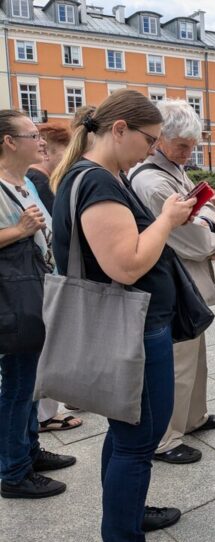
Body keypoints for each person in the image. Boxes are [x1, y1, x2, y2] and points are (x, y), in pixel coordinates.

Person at [50, 90, 195, 542]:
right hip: (131, 328)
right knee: (138, 441)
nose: (151, 148)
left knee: (129, 433)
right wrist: (168, 220)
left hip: (135, 325)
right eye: (149, 139)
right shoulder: (97, 182)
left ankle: (127, 518)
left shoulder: (94, 176)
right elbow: (126, 265)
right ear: (119, 130)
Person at [130, 100, 215, 465]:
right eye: (181, 145)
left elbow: (209, 215)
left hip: (184, 278)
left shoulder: (169, 169)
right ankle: (165, 437)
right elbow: (198, 239)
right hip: (173, 280)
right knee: (178, 361)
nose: (188, 153)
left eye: (192, 145)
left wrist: (207, 223)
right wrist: (210, 229)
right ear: (159, 140)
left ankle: (192, 417)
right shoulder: (155, 182)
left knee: (194, 356)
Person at [0, 110, 77, 500]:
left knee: (28, 380)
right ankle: (14, 472)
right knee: (17, 384)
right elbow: (23, 234)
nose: (40, 140)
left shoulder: (24, 182)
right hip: (14, 298)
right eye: (31, 134)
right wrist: (19, 230)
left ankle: (27, 451)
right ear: (9, 142)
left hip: (35, 292)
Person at [25, 122, 84, 433]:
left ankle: (44, 417)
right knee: (39, 355)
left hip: (45, 276)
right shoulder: (35, 179)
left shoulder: (33, 179)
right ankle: (45, 416)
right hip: (41, 279)